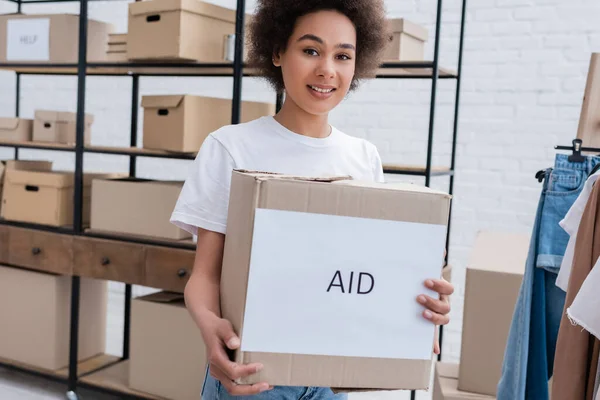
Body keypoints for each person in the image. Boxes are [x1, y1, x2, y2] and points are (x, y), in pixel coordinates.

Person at [170, 0, 454, 398]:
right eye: (310, 50)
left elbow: (362, 274)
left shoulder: (363, 157)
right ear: (276, 52)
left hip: (330, 377)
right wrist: (207, 325)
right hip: (254, 377)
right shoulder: (230, 148)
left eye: (343, 55)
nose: (327, 70)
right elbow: (205, 276)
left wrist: (417, 307)